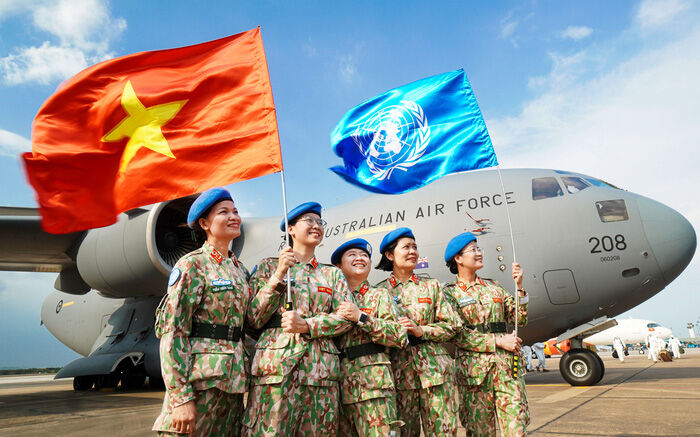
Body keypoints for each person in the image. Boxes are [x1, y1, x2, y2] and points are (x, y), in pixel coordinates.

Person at [243, 202, 354, 436]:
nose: (317, 226)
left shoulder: (331, 274)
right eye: (309, 220)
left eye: (320, 222)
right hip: (275, 371)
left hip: (320, 373)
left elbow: (346, 318)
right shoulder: (268, 267)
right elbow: (253, 318)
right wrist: (279, 275)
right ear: (291, 229)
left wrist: (308, 325)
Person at [153, 187, 251, 436]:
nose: (233, 217)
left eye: (235, 211)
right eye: (224, 212)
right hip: (199, 383)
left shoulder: (240, 270)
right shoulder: (192, 265)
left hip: (232, 384)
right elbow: (173, 332)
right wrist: (180, 397)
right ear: (205, 223)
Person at [375, 227, 461, 436]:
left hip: (435, 374)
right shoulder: (378, 292)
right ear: (389, 255)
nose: (413, 251)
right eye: (406, 247)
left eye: (415, 247)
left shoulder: (431, 286)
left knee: (443, 432)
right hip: (399, 376)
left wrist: (421, 330)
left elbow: (453, 326)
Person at [442, 232, 529, 437]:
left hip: (507, 369)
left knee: (517, 430)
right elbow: (457, 334)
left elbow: (519, 318)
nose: (479, 253)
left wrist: (519, 287)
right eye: (473, 250)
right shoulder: (449, 293)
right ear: (458, 258)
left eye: (478, 248)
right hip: (474, 375)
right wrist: (498, 341)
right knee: (479, 431)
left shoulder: (493, 287)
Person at [331, 238, 408, 437]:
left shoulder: (380, 295)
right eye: (352, 255)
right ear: (338, 266)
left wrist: (362, 317)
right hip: (335, 387)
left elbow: (399, 335)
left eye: (364, 255)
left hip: (373, 388)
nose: (360, 258)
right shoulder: (331, 299)